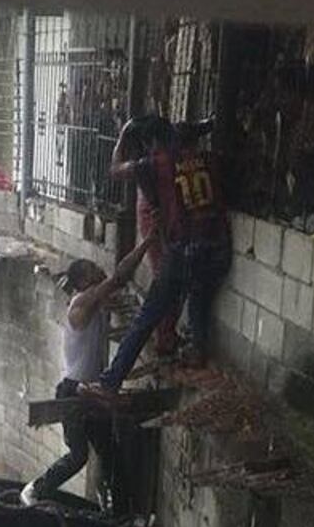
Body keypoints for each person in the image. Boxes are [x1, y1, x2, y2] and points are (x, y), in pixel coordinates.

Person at [98, 116, 231, 390]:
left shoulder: (155, 164)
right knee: (199, 298)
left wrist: (123, 134)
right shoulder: (207, 158)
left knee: (147, 317)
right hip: (218, 245)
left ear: (150, 142)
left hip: (184, 250)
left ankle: (109, 382)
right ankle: (196, 353)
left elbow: (114, 170)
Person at [20, 236, 153, 506]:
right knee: (79, 455)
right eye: (93, 270)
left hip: (94, 390)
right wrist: (148, 240)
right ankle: (35, 490)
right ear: (83, 282)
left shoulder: (95, 306)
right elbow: (118, 278)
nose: (100, 271)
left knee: (109, 452)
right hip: (73, 390)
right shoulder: (81, 303)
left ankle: (115, 508)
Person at [112, 113, 216, 360]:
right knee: (167, 281)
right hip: (167, 219)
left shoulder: (150, 163)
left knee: (168, 282)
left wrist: (122, 136)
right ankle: (165, 337)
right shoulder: (166, 157)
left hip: (166, 218)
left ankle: (166, 337)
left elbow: (115, 170)